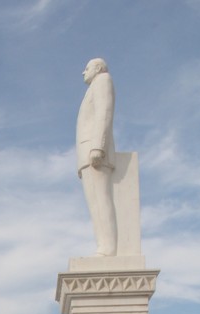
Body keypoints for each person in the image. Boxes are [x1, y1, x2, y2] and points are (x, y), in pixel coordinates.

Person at [76, 57, 117, 257]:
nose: (83, 72)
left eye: (87, 68)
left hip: (95, 151)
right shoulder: (91, 88)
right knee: (94, 203)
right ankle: (103, 245)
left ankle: (108, 247)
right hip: (86, 153)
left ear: (98, 68)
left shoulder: (103, 80)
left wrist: (98, 147)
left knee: (102, 199)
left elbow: (104, 112)